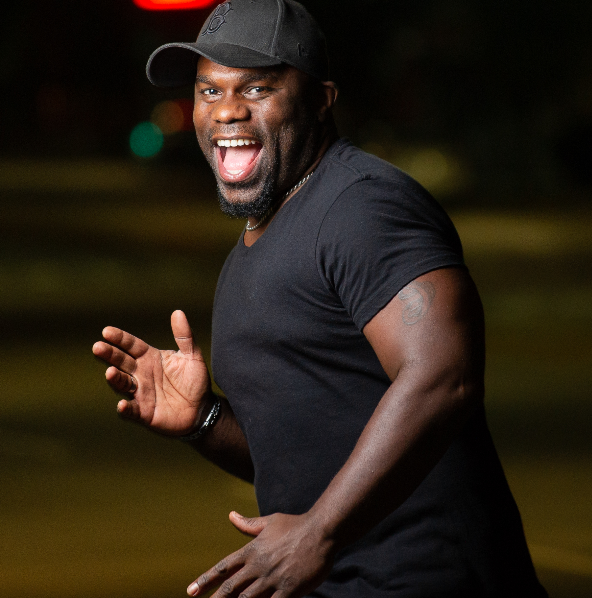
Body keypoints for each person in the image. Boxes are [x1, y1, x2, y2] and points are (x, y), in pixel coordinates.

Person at [93, 1, 548, 597]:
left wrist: (319, 534)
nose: (226, 110)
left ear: (321, 99)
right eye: (209, 90)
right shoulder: (265, 236)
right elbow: (309, 456)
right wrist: (203, 420)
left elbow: (444, 377)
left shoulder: (362, 206)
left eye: (257, 88)